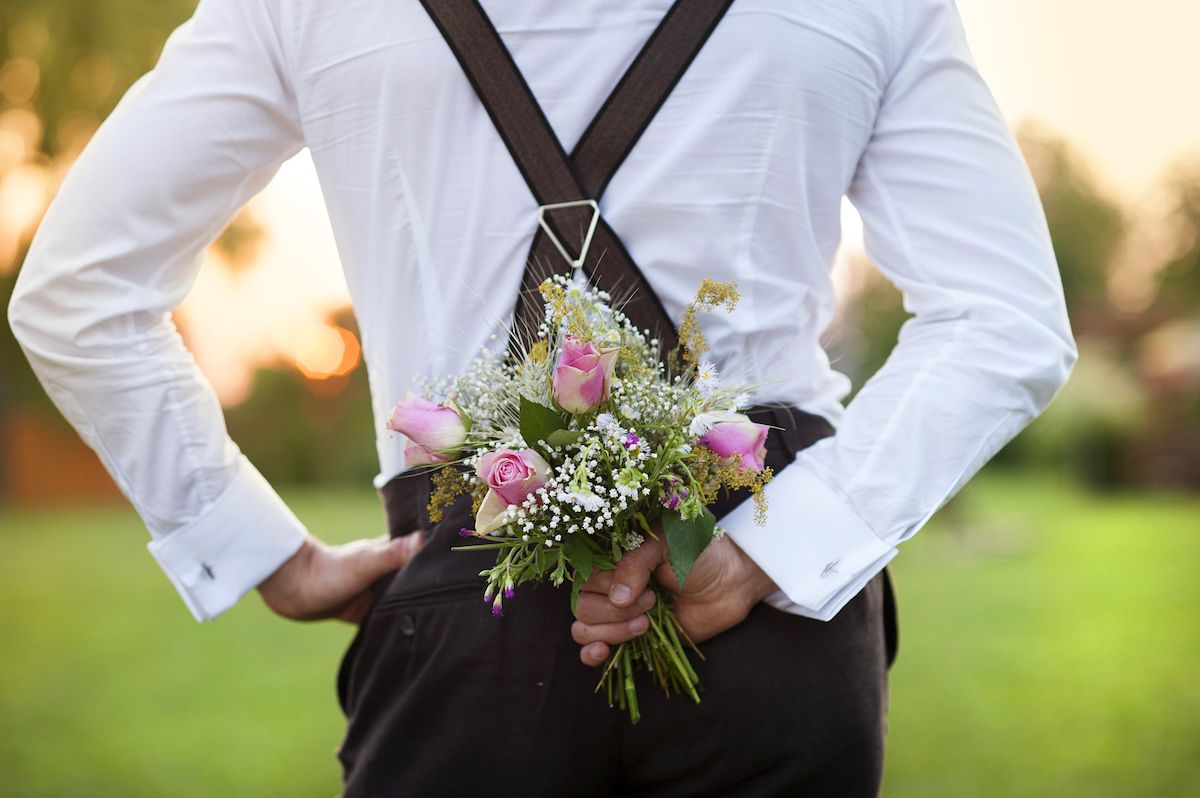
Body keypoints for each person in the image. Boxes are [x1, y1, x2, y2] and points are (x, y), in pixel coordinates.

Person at [7, 0, 1077, 795]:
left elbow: (79, 291)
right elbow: (1007, 317)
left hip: (472, 593)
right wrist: (778, 548)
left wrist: (261, 555)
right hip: (771, 601)